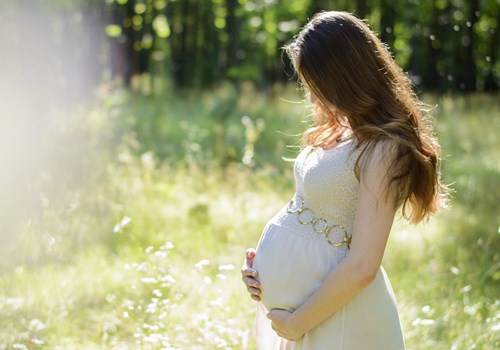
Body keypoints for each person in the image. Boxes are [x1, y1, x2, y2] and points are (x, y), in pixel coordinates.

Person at [240, 11, 447, 350]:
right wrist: (259, 270)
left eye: (317, 85)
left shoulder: (385, 148)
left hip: (340, 322)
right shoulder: (340, 130)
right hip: (305, 318)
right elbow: (309, 205)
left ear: (345, 77)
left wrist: (296, 323)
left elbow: (364, 264)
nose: (312, 97)